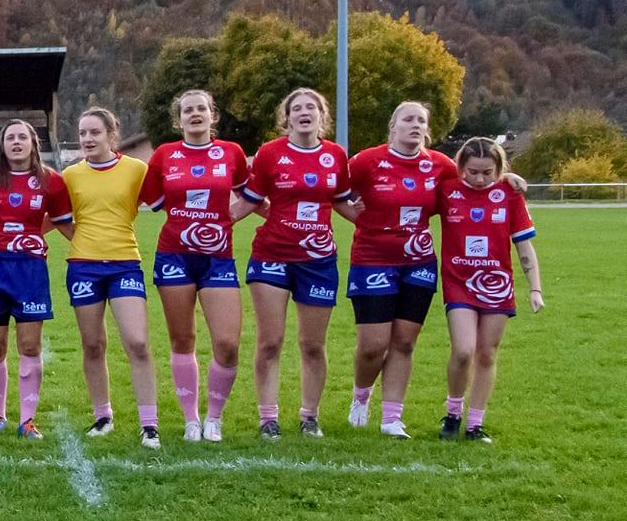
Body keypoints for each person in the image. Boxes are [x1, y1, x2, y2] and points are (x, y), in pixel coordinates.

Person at [240, 88, 360, 439]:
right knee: (270, 341)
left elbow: (344, 204)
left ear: (322, 116)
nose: (304, 112)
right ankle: (268, 418)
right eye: (297, 108)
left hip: (318, 260)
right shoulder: (270, 153)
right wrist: (209, 223)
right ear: (287, 117)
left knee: (312, 345)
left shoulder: (336, 156)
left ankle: (310, 416)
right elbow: (249, 201)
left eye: (312, 107)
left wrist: (385, 222)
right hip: (272, 256)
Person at [141, 90, 255, 443]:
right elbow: (153, 197)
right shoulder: (164, 155)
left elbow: (250, 193)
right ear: (179, 120)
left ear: (212, 115)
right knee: (183, 338)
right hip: (174, 255)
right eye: (187, 110)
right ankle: (191, 419)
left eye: (201, 109)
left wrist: (229, 217)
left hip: (218, 258)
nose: (195, 114)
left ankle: (214, 418)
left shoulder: (232, 153)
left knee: (227, 343)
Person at [344, 101, 458, 439]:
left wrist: (507, 179)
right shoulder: (366, 161)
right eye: (408, 119)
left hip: (419, 262)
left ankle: (392, 417)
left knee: (405, 342)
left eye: (421, 120)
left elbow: (471, 191)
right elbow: (334, 192)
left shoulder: (441, 166)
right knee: (372, 346)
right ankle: (360, 397)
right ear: (393, 126)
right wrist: (358, 217)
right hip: (372, 260)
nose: (415, 125)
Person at [0, 121, 72, 439]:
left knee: (29, 345)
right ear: (2, 145)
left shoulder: (51, 181)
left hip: (30, 270)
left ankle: (27, 420)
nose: (16, 142)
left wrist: (96, 246)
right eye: (10, 137)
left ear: (32, 143)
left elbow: (64, 222)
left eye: (21, 137)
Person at [60, 108, 158, 447]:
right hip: (83, 266)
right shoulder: (71, 175)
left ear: (111, 136)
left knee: (138, 342)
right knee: (93, 344)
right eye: (83, 133)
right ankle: (103, 416)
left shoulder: (136, 170)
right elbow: (57, 217)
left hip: (124, 264)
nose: (87, 139)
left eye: (94, 133)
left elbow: (165, 202)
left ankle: (150, 424)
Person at [436, 138, 542, 443]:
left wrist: (535, 288)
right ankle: (453, 413)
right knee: (463, 350)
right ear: (460, 167)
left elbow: (524, 245)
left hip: (497, 286)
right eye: (472, 171)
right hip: (458, 283)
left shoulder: (509, 193)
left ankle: (474, 424)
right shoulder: (447, 190)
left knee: (486, 354)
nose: (480, 179)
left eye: (487, 172)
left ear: (499, 169)